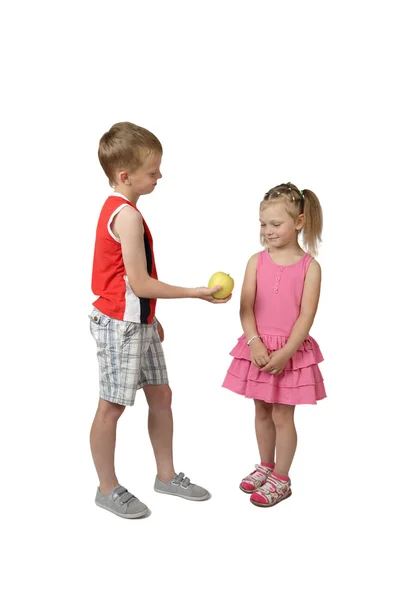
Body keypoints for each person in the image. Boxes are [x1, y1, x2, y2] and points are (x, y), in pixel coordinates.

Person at [89, 121, 231, 519]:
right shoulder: (126, 216)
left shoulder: (126, 210)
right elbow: (140, 281)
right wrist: (195, 293)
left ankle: (165, 475)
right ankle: (106, 488)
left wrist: (151, 318)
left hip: (140, 321)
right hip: (121, 324)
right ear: (125, 175)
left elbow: (132, 280)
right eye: (152, 171)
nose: (159, 176)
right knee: (111, 407)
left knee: (161, 395)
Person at [222, 182, 326, 507]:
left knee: (283, 415)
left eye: (275, 224)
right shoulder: (256, 261)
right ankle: (265, 465)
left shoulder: (311, 267)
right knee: (261, 411)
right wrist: (254, 343)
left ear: (298, 222)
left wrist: (287, 352)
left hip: (289, 352)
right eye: (263, 224)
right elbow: (246, 307)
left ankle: (282, 477)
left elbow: (306, 317)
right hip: (258, 348)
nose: (267, 230)